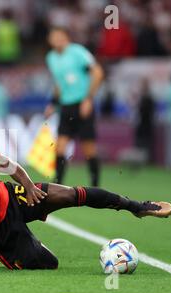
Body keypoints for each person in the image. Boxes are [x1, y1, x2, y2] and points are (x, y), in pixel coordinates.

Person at [0, 136, 171, 272]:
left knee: (71, 194)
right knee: (49, 264)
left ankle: (137, 207)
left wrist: (30, 186)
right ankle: (32, 245)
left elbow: (8, 164)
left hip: (13, 196)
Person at [44, 27, 104, 186]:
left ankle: (95, 185)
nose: (57, 40)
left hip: (82, 104)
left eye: (59, 36)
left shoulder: (77, 52)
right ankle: (58, 185)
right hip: (66, 106)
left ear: (66, 37)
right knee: (60, 148)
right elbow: (59, 84)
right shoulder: (51, 58)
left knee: (88, 149)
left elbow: (97, 72)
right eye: (53, 37)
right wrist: (53, 103)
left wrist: (88, 99)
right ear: (50, 41)